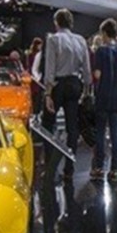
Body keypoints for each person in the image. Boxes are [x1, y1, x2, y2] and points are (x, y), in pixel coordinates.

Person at [43, 9, 92, 178]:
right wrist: (87, 90)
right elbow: (87, 70)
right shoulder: (80, 40)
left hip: (58, 85)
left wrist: (47, 94)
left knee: (47, 124)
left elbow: (50, 68)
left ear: (56, 22)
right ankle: (69, 169)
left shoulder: (53, 39)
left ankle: (50, 166)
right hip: (75, 84)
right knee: (73, 127)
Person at [90, 19, 117, 180]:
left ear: (105, 33)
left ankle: (99, 166)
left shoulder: (101, 51)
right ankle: (114, 169)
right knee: (115, 133)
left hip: (103, 95)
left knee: (100, 132)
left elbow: (97, 74)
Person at [27, 37, 44, 114]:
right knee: (33, 94)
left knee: (38, 95)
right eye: (39, 44)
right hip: (32, 76)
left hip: (37, 76)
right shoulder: (31, 54)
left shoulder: (41, 54)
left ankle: (37, 110)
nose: (40, 46)